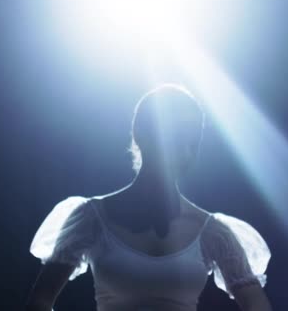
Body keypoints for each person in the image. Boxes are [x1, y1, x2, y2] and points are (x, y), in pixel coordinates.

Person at [25, 84, 272, 311]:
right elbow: (40, 300)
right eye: (175, 137)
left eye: (192, 141)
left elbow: (257, 306)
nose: (185, 151)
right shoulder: (90, 217)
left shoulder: (214, 232)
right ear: (141, 133)